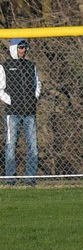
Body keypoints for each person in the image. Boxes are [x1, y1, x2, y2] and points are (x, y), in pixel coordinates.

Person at [1, 38, 41, 184]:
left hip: (29, 112)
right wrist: (12, 101)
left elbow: (38, 84)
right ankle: (10, 179)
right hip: (13, 114)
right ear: (13, 49)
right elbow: (0, 89)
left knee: (33, 147)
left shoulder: (31, 66)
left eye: (24, 48)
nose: (23, 50)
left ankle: (30, 179)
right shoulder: (4, 67)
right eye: (20, 48)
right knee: (11, 146)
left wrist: (34, 98)